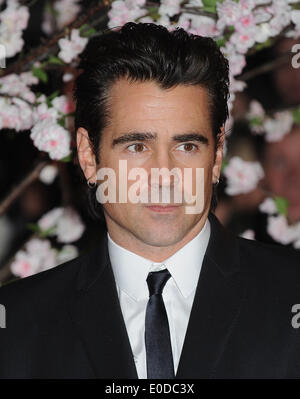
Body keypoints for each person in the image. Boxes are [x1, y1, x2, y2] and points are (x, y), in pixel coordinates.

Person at [0, 22, 300, 379]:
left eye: (187, 146)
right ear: (89, 156)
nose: (164, 175)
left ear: (217, 157)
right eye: (137, 147)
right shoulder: (16, 324)